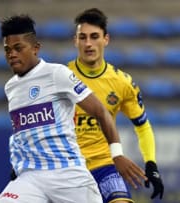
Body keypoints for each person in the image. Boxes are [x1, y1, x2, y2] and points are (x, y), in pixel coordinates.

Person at [0, 14, 147, 203]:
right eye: (7, 50)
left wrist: (116, 155)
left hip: (67, 173)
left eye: (18, 48)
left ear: (35, 48)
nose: (12, 54)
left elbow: (100, 111)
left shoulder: (57, 74)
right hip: (30, 177)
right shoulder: (11, 87)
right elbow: (24, 130)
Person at [68, 8, 165, 203]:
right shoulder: (61, 77)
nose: (88, 43)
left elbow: (143, 127)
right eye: (83, 37)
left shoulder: (122, 82)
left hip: (105, 164)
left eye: (94, 36)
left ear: (106, 39)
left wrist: (151, 164)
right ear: (75, 40)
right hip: (68, 166)